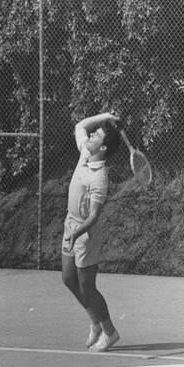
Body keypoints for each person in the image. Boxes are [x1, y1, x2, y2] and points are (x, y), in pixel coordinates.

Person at [61, 112, 121, 352]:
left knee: (87, 287)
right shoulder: (85, 152)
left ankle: (110, 332)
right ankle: (94, 322)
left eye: (97, 135)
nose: (91, 133)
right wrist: (106, 115)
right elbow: (80, 124)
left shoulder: (100, 178)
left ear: (103, 147)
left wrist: (77, 234)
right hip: (70, 224)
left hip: (87, 233)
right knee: (68, 278)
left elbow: (94, 216)